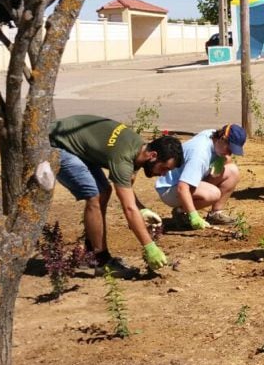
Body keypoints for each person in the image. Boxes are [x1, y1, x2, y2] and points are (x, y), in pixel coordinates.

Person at [50, 115, 184, 276]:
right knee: (95, 196)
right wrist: (150, 247)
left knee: (104, 191)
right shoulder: (124, 158)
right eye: (164, 168)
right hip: (54, 145)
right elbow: (128, 208)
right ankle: (101, 261)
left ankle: (89, 254)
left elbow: (127, 189)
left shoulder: (139, 149)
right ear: (153, 155)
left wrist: (142, 209)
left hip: (75, 146)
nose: (163, 174)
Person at [153, 123, 247, 230]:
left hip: (187, 182)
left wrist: (221, 159)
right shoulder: (200, 155)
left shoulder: (211, 135)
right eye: (229, 149)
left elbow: (227, 160)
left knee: (232, 171)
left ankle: (215, 214)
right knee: (213, 193)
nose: (230, 153)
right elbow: (182, 188)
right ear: (222, 138)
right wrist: (193, 215)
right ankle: (181, 212)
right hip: (170, 188)